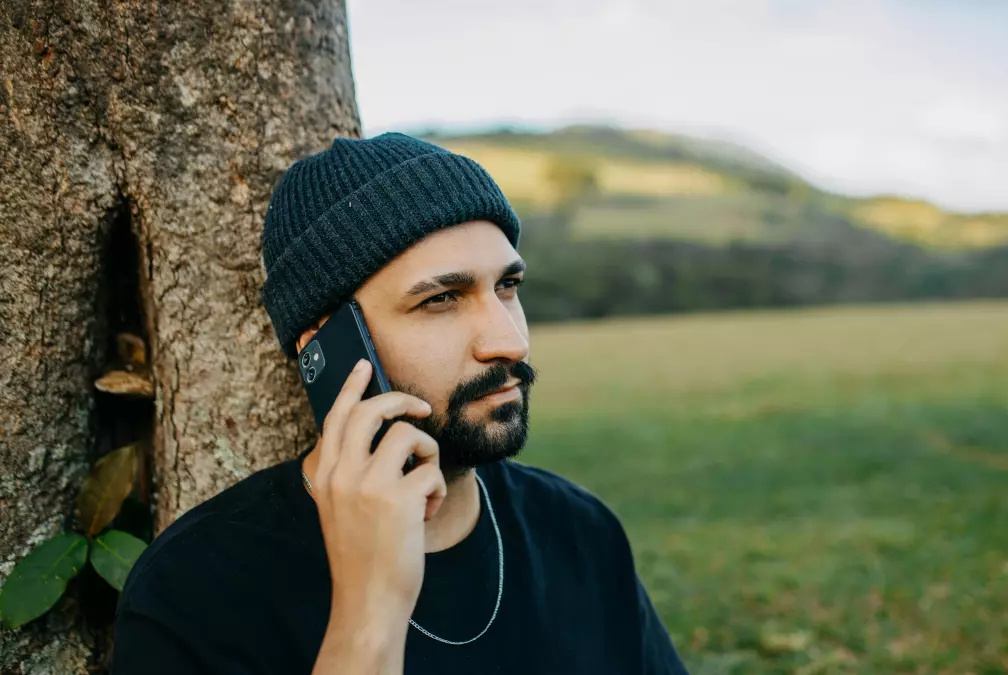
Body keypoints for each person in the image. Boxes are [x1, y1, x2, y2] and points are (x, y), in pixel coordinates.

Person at [110, 133, 689, 674]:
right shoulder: (194, 589)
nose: (509, 341)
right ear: (326, 350)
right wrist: (370, 616)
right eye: (441, 299)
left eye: (507, 287)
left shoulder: (579, 532)